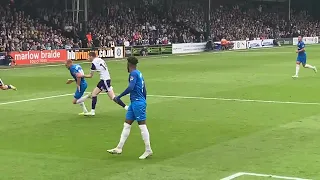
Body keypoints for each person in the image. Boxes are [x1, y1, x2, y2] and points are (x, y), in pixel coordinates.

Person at [107, 56, 153, 160]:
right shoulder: (139, 73)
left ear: (129, 64)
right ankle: (119, 148)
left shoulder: (133, 74)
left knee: (142, 125)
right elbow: (144, 89)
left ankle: (148, 149)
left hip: (137, 103)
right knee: (126, 124)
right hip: (135, 103)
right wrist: (143, 100)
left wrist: (119, 96)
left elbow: (131, 87)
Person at [80, 52, 128, 116]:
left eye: (88, 56)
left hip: (105, 81)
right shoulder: (100, 60)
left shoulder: (94, 63)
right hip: (104, 80)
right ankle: (92, 111)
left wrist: (81, 76)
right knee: (94, 94)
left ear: (91, 56)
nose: (88, 58)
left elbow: (90, 75)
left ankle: (127, 108)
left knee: (113, 97)